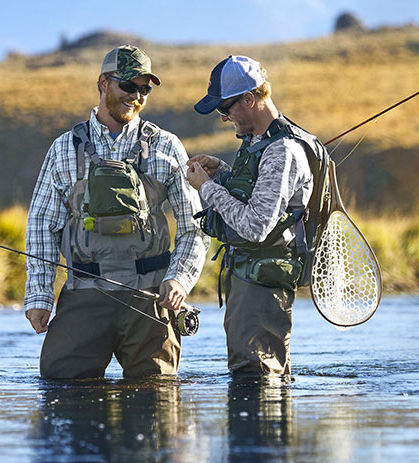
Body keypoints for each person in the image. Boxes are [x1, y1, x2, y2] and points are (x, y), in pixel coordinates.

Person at [25, 45, 208, 379]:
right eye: (128, 86)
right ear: (103, 84)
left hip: (150, 300)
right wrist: (39, 294)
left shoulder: (167, 146)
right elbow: (42, 225)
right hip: (84, 295)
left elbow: (195, 225)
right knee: (61, 387)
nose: (136, 96)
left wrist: (180, 278)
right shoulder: (64, 148)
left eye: (144, 89)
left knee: (156, 405)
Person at [186, 55, 316, 376]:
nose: (224, 118)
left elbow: (255, 226)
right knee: (251, 377)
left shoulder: (282, 151)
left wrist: (207, 189)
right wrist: (224, 172)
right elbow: (259, 199)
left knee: (256, 379)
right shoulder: (258, 143)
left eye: (225, 109)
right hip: (249, 282)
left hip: (263, 289)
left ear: (249, 99)